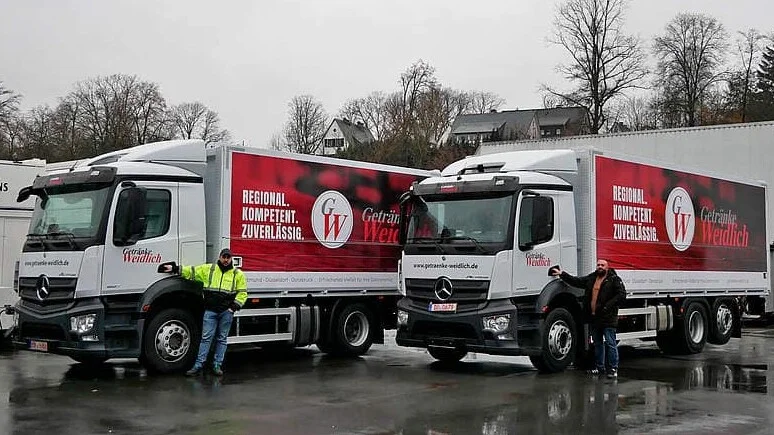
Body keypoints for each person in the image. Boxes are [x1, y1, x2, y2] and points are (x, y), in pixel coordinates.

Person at [160, 248, 247, 376]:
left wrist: (233, 308)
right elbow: (192, 271)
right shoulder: (209, 269)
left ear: (231, 258)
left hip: (225, 312)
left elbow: (243, 293)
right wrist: (175, 269)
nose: (226, 259)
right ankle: (198, 365)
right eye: (224, 256)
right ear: (219, 257)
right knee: (206, 338)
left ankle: (217, 365)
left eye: (228, 257)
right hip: (210, 311)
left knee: (221, 339)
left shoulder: (237, 274)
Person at [550, 259, 626, 378]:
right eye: (598, 265)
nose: (600, 267)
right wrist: (562, 274)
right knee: (597, 344)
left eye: (602, 265)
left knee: (611, 343)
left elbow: (621, 295)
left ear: (607, 267)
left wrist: (607, 307)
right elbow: (577, 281)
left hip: (608, 318)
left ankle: (613, 369)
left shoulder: (614, 279)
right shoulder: (592, 278)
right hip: (594, 318)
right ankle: (599, 368)